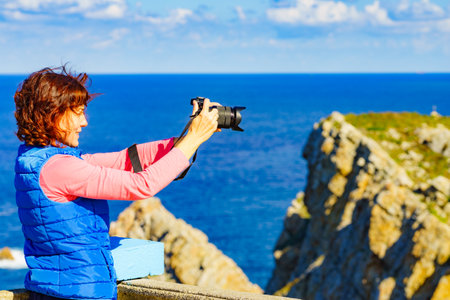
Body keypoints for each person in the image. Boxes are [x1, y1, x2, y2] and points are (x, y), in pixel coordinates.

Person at [14, 67, 220, 300]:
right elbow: (142, 186)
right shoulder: (59, 169)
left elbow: (125, 160)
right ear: (53, 114)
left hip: (58, 291)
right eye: (78, 112)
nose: (84, 122)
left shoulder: (41, 162)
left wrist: (187, 138)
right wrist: (192, 140)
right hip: (77, 295)